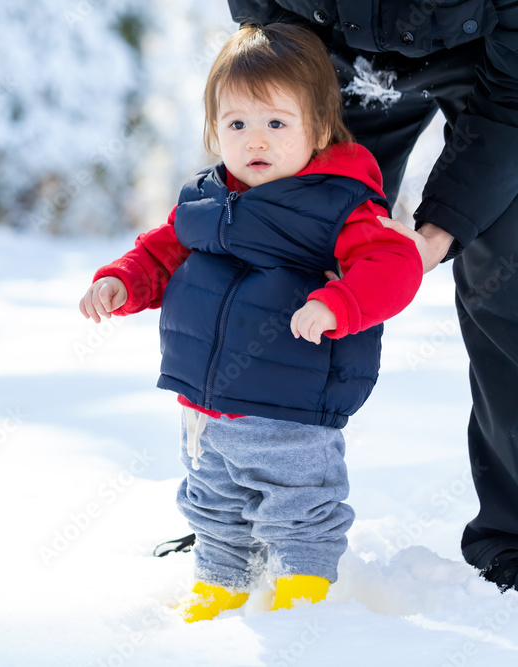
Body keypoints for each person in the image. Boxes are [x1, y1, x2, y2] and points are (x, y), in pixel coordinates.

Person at [79, 22, 423, 621]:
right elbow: (161, 251)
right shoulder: (204, 198)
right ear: (215, 130)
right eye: (237, 124)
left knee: (298, 505)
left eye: (276, 123)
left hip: (288, 406)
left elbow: (392, 264)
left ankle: (303, 598)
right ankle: (220, 586)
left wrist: (337, 303)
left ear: (317, 129)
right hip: (204, 409)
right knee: (212, 502)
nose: (254, 140)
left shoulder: (339, 203)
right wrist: (123, 280)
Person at [224, 0, 518, 594]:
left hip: (492, 62)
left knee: (509, 282)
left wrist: (437, 232)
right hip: (321, 52)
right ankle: (245, 519)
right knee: (274, 262)